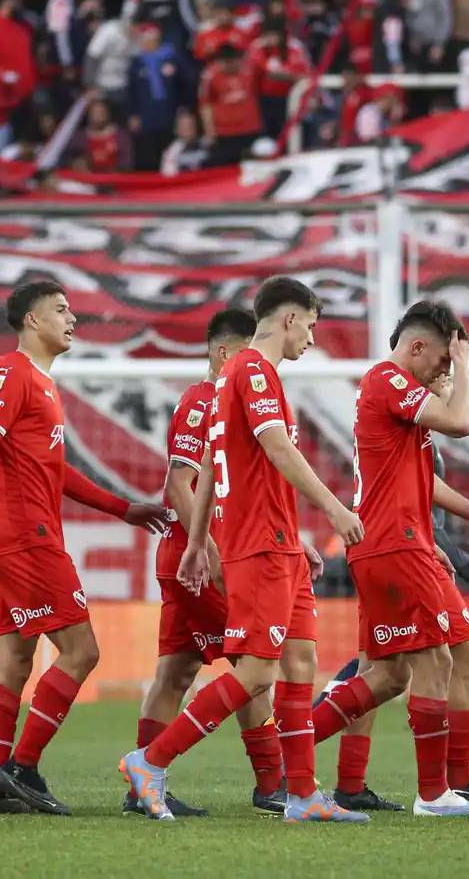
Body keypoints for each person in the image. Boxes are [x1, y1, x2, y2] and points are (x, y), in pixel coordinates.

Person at [120, 276, 368, 824]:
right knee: (257, 672)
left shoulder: (239, 378)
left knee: (301, 660)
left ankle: (301, 796)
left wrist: (197, 544)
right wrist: (333, 509)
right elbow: (275, 448)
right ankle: (150, 761)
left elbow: (210, 466)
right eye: (311, 324)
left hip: (278, 543)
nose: (312, 337)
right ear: (290, 319)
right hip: (258, 546)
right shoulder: (253, 371)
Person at [0, 280, 168, 816]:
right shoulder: (12, 373)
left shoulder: (43, 384)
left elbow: (56, 470)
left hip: (18, 537)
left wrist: (124, 508)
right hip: (24, 537)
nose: (73, 319)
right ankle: (22, 766)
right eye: (62, 310)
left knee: (14, 660)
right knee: (82, 651)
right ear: (32, 320)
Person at [308, 301, 469, 815]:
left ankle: (281, 756)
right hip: (394, 543)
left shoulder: (394, 395)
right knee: (445, 658)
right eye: (441, 360)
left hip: (399, 542)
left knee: (388, 675)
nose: (445, 370)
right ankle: (438, 792)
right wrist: (464, 366)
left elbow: (421, 476)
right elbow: (461, 422)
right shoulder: (387, 379)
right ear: (417, 346)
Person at [126, 308, 288, 818]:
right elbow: (179, 483)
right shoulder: (203, 402)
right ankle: (271, 784)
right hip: (199, 558)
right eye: (247, 354)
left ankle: (140, 787)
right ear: (224, 354)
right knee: (254, 666)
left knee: (176, 671)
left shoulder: (226, 404)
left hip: (185, 554)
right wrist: (213, 552)